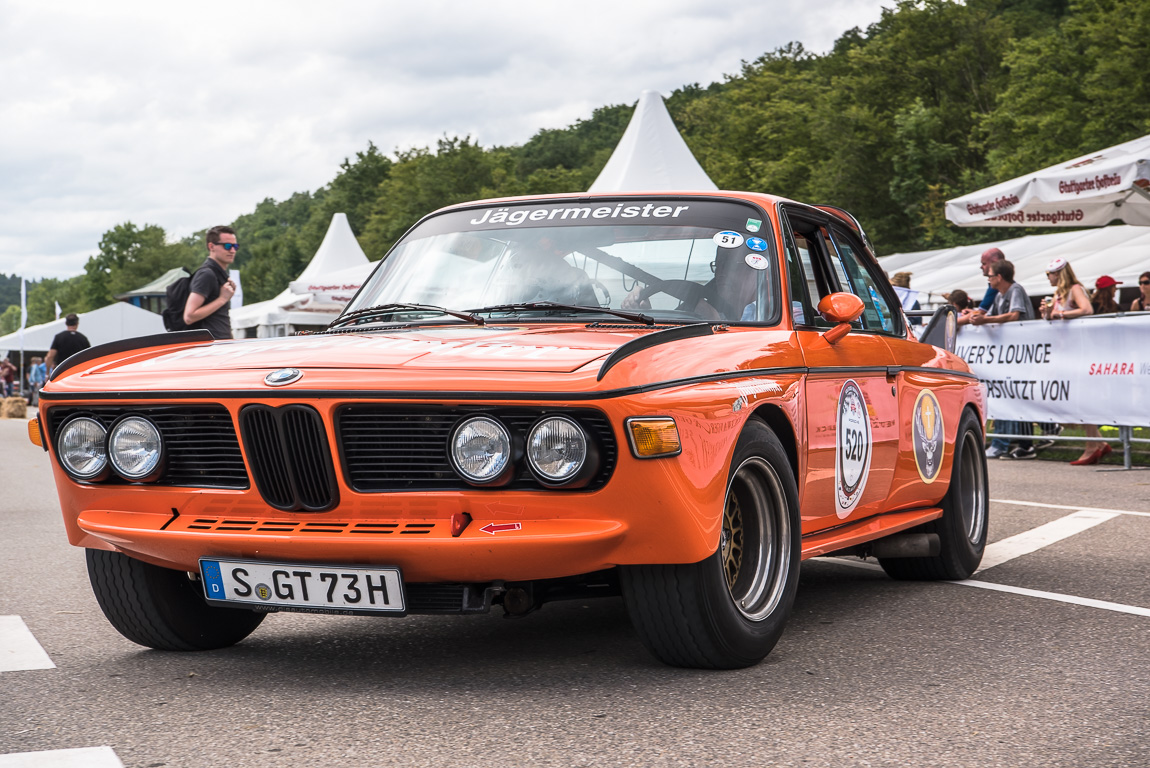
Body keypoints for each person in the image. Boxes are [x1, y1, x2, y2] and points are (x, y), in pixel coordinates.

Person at [969, 260, 1037, 459]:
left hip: (1022, 353)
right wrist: (974, 316)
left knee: (1019, 396)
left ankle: (1018, 443)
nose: (988, 280)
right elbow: (989, 315)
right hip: (1010, 356)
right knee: (1011, 396)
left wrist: (985, 320)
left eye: (989, 276)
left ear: (999, 277)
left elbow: (1014, 315)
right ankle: (1019, 443)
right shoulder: (999, 295)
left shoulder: (1015, 290)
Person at [184, 225, 238, 339]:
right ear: (211, 246)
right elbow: (189, 316)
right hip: (212, 347)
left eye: (235, 246)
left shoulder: (217, 273)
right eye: (227, 246)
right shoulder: (207, 274)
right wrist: (222, 299)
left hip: (220, 345)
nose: (232, 250)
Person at [975, 247, 1006, 315]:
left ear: (995, 263)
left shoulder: (997, 286)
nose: (981, 267)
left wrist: (955, 320)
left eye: (984, 263)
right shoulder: (1000, 289)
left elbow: (981, 312)